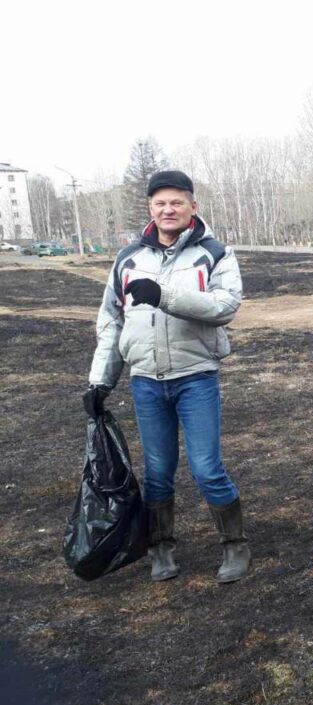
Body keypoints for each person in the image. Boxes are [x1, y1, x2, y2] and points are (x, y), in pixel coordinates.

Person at [84, 170, 249, 583]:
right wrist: (100, 380)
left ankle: (235, 545)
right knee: (157, 472)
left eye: (176, 202)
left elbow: (225, 306)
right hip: (146, 381)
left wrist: (164, 295)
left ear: (193, 205)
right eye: (160, 203)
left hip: (196, 377)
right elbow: (112, 321)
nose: (168, 209)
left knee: (207, 468)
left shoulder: (214, 253)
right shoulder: (128, 258)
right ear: (150, 208)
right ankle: (161, 550)